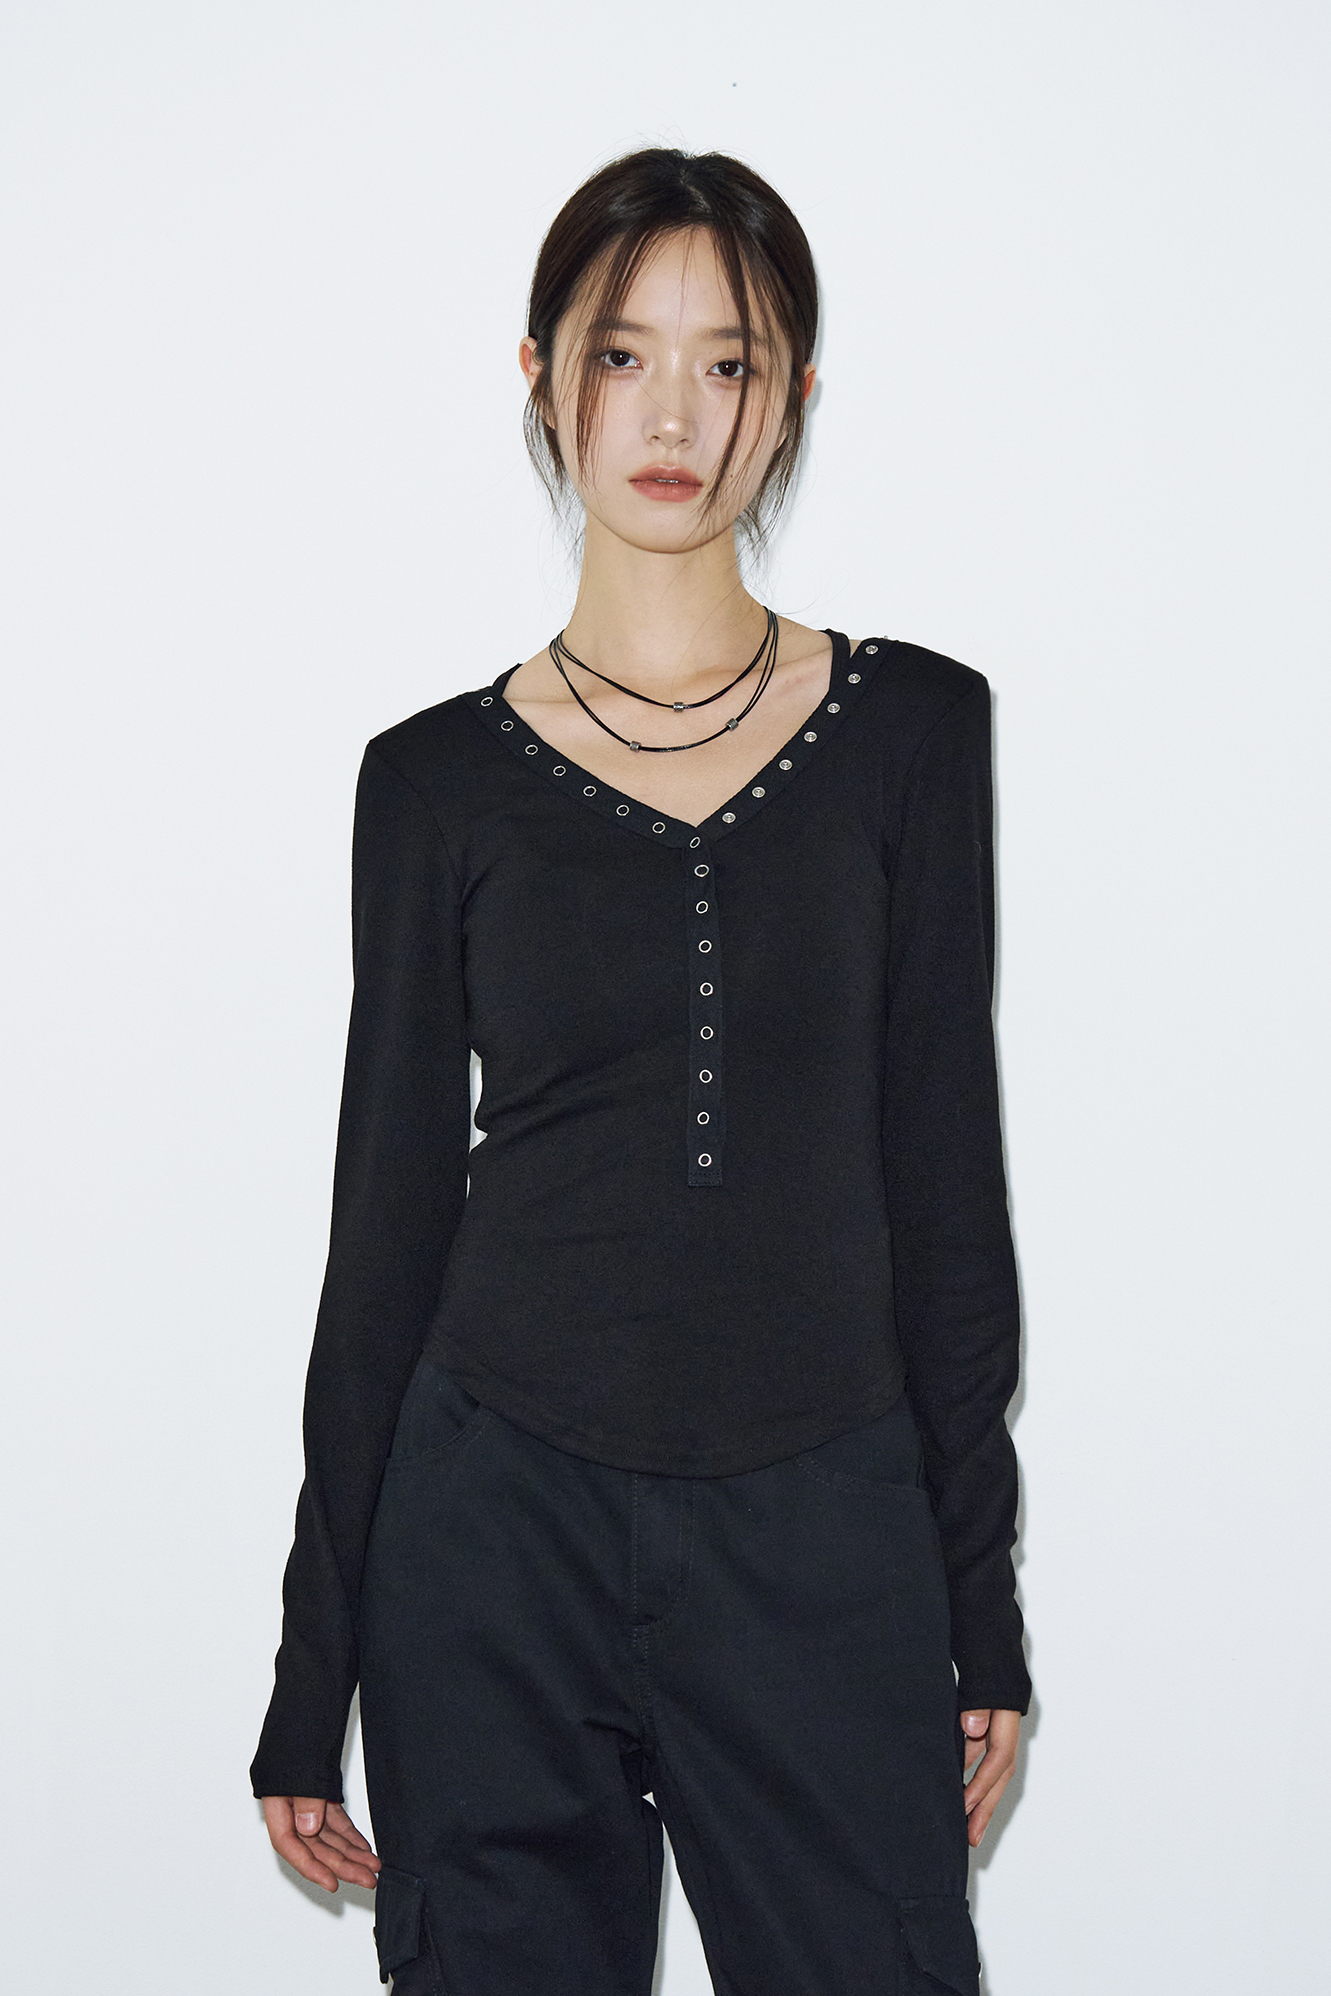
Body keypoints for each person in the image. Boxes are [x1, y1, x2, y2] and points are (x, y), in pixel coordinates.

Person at [251, 146, 1031, 1995]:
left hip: (824, 1529)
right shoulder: (432, 782)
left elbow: (944, 1182)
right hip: (491, 1537)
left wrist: (976, 1607)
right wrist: (313, 1668)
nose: (673, 414)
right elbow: (384, 1228)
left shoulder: (914, 732)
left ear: (794, 396)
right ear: (543, 377)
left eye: (728, 362)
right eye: (623, 355)